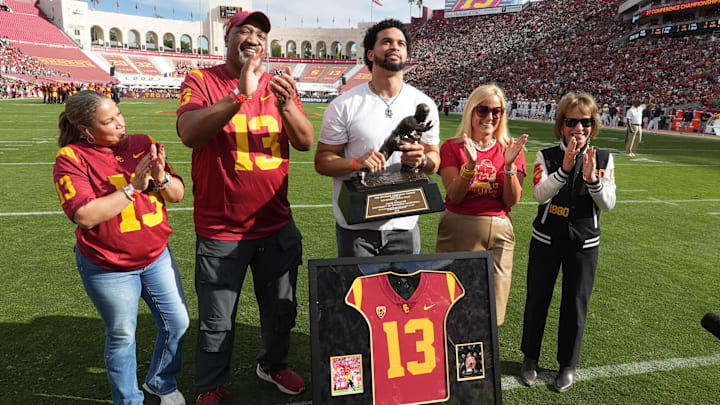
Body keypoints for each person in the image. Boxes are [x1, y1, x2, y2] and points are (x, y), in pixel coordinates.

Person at [175, 10, 314, 404]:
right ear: (228, 37)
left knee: (281, 309)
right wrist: (239, 95)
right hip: (222, 228)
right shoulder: (202, 80)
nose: (253, 38)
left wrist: (286, 105)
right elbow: (189, 133)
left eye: (260, 34)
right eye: (244, 31)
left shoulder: (278, 85)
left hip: (275, 222)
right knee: (217, 319)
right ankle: (210, 384)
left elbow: (305, 142)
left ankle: (272, 364)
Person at [52, 90, 189, 405]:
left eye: (118, 114)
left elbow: (178, 195)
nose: (120, 123)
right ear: (87, 130)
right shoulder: (72, 157)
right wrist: (133, 189)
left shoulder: (143, 142)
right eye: (108, 121)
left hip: (156, 257)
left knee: (178, 322)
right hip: (108, 266)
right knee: (123, 336)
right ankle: (129, 400)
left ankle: (161, 381)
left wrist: (161, 177)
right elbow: (84, 215)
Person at [315, 18, 440, 257]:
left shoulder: (424, 105)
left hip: (404, 225)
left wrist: (422, 161)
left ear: (406, 54)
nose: (395, 47)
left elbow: (435, 159)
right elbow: (322, 162)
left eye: (401, 43)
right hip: (357, 227)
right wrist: (356, 163)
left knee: (404, 293)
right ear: (371, 54)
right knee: (357, 293)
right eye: (387, 42)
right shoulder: (345, 105)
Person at [519, 92, 616, 393]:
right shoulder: (546, 156)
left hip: (584, 244)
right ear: (561, 125)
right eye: (571, 122)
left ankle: (567, 365)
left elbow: (609, 203)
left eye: (585, 122)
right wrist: (564, 168)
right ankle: (530, 358)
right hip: (546, 239)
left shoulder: (602, 158)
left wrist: (592, 179)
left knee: (575, 304)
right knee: (538, 299)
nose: (579, 128)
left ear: (593, 124)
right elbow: (539, 194)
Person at [435, 84, 527, 326]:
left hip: (499, 229)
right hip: (460, 226)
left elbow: (512, 201)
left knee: (494, 308)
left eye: (496, 111)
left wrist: (509, 168)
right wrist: (470, 167)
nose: (489, 117)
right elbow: (455, 195)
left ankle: (483, 359)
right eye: (483, 110)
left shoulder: (511, 148)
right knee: (452, 302)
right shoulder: (452, 147)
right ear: (471, 112)